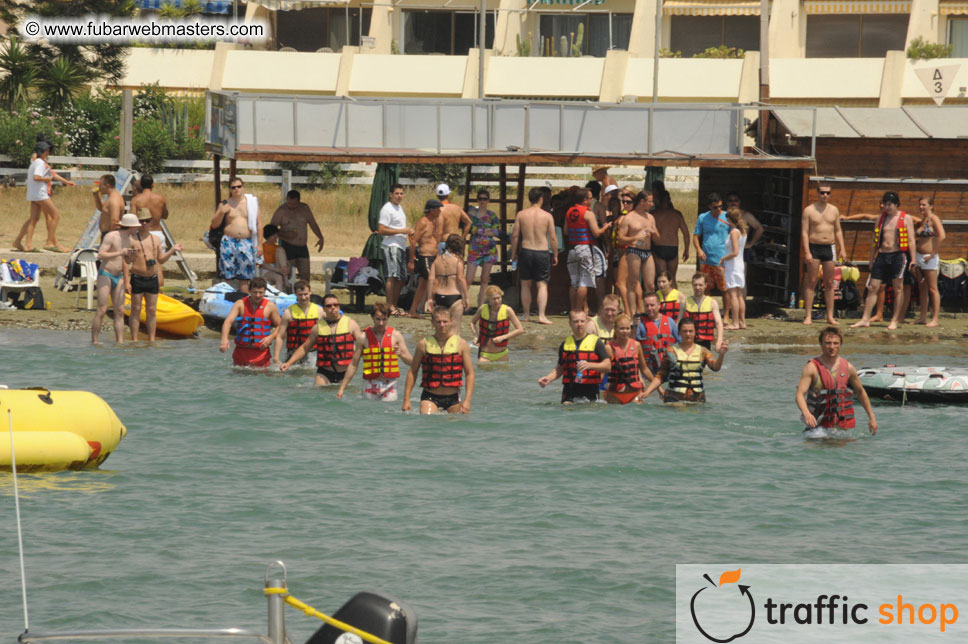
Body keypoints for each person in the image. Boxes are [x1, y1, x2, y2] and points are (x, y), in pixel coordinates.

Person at [851, 191, 917, 331]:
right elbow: (875, 241)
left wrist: (913, 259)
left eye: (890, 204)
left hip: (898, 255)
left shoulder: (906, 218)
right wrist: (871, 258)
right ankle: (865, 318)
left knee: (897, 288)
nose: (887, 207)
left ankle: (894, 320)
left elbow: (911, 240)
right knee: (872, 287)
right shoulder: (880, 218)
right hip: (882, 255)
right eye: (885, 204)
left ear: (896, 205)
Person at [795, 326, 877, 435]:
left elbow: (861, 392)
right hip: (817, 427)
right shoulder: (811, 367)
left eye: (835, 343)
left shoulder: (848, 368)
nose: (832, 347)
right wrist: (806, 414)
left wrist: (872, 418)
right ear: (821, 344)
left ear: (840, 344)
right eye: (828, 343)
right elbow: (799, 394)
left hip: (841, 426)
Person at [402, 305, 475, 414]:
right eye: (438, 322)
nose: (442, 325)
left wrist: (467, 401)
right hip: (429, 396)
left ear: (451, 321)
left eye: (445, 321)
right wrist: (406, 399)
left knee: (453, 427)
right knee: (428, 421)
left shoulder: (461, 344)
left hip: (453, 398)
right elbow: (413, 371)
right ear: (432, 323)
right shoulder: (423, 344)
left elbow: (469, 374)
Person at [337, 302, 414, 401]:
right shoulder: (363, 337)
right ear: (372, 317)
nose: (381, 323)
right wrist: (342, 388)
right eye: (378, 319)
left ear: (388, 318)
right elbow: (353, 364)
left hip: (390, 384)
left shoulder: (396, 336)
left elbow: (411, 362)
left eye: (384, 319)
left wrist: (401, 355)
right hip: (370, 383)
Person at [281, 293, 363, 385]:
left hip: (345, 372)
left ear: (339, 307)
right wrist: (289, 363)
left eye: (335, 305)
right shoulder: (317, 328)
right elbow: (304, 348)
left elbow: (363, 346)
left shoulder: (351, 324)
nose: (333, 307)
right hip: (324, 372)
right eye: (329, 306)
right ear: (323, 309)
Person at [128, 211, 183, 342]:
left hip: (152, 278)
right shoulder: (132, 239)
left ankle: (151, 340)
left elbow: (161, 259)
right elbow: (126, 262)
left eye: (147, 221)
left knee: (151, 310)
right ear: (137, 223)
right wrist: (126, 281)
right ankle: (134, 339)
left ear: (151, 221)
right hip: (137, 277)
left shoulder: (156, 239)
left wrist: (172, 250)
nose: (144, 224)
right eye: (141, 221)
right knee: (135, 309)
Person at [644, 317, 728, 403]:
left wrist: (721, 355)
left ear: (695, 332)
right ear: (679, 332)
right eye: (684, 331)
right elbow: (660, 376)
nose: (688, 334)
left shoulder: (703, 351)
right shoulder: (671, 351)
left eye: (691, 331)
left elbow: (715, 367)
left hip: (697, 400)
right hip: (673, 400)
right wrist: (646, 392)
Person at [538, 309, 611, 404]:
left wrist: (590, 365)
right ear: (570, 324)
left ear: (586, 322)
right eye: (576, 321)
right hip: (570, 390)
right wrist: (548, 378)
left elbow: (608, 366)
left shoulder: (596, 342)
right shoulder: (565, 344)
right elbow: (560, 368)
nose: (579, 324)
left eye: (582, 321)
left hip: (590, 389)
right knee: (566, 410)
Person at [13, 141, 75, 253]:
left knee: (34, 219)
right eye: (46, 150)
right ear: (41, 151)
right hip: (40, 194)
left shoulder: (37, 162)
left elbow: (52, 174)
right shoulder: (40, 163)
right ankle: (50, 242)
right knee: (56, 216)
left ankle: (25, 243)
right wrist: (47, 179)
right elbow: (37, 177)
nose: (48, 152)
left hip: (34, 193)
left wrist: (66, 181)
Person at [801, 184, 847, 326]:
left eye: (827, 193)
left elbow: (838, 230)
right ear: (817, 193)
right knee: (812, 281)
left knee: (829, 283)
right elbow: (804, 232)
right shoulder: (809, 210)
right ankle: (808, 315)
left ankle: (830, 316)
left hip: (829, 247)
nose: (825, 195)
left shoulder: (834, 210)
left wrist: (842, 248)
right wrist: (807, 251)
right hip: (814, 246)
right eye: (822, 193)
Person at [510, 188, 557, 325]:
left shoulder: (521, 214)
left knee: (525, 284)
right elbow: (553, 238)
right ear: (541, 198)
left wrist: (513, 253)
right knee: (542, 285)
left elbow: (515, 236)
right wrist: (555, 254)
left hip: (526, 250)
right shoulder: (547, 216)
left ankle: (526, 314)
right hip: (541, 251)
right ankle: (541, 315)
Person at [92, 213, 139, 344]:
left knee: (120, 310)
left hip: (118, 276)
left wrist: (131, 255)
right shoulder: (111, 236)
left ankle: (120, 341)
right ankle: (95, 341)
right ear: (130, 226)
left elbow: (127, 261)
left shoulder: (130, 240)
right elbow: (101, 255)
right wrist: (120, 252)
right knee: (102, 309)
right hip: (105, 274)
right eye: (136, 226)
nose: (137, 229)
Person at [564, 187, 611, 314]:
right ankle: (580, 310)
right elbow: (596, 233)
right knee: (584, 282)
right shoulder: (588, 213)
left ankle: (573, 309)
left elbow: (566, 231)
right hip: (585, 248)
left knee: (574, 281)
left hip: (572, 249)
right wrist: (605, 227)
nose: (591, 200)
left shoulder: (569, 211)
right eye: (590, 198)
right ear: (585, 200)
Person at [211, 177, 261, 293]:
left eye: (239, 186)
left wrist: (260, 245)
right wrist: (221, 212)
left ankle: (244, 303)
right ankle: (226, 302)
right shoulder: (225, 204)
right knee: (227, 274)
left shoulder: (251, 203)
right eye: (233, 187)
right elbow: (214, 224)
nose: (236, 189)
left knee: (245, 276)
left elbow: (258, 224)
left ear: (243, 187)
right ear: (230, 189)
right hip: (228, 242)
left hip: (246, 242)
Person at [220, 277, 281, 367]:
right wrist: (224, 339)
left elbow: (280, 326)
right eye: (255, 292)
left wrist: (271, 337)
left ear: (265, 292)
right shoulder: (240, 304)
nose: (258, 295)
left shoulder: (270, 307)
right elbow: (228, 321)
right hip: (240, 353)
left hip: (261, 354)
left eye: (261, 293)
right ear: (249, 291)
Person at [616, 192, 659, 314]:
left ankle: (650, 310)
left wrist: (654, 232)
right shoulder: (629, 217)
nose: (652, 204)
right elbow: (620, 238)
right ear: (642, 202)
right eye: (650, 201)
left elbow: (657, 238)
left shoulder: (650, 217)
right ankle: (633, 313)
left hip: (647, 251)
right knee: (633, 282)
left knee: (650, 285)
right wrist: (635, 237)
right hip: (634, 250)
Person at [269, 190, 324, 283]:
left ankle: (304, 294)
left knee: (305, 275)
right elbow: (271, 228)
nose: (291, 207)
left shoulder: (305, 208)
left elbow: (313, 223)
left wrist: (320, 238)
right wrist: (284, 234)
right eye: (289, 204)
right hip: (287, 245)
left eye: (294, 205)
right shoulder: (281, 210)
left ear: (299, 201)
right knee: (286, 275)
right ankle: (286, 293)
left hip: (302, 246)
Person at [378, 184, 413, 316]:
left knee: (402, 277)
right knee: (391, 275)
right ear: (391, 194)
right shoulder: (387, 209)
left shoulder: (399, 208)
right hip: (391, 245)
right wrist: (401, 231)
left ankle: (394, 304)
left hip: (401, 246)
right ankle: (389, 305)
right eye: (397, 193)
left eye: (401, 193)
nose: (399, 196)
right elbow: (381, 229)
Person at [604, 313, 653, 405]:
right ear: (615, 329)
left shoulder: (637, 345)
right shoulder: (609, 347)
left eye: (627, 328)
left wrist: (659, 389)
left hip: (635, 394)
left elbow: (644, 369)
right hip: (615, 395)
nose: (625, 331)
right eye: (622, 328)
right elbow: (602, 371)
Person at [692, 192, 730, 307]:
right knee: (706, 287)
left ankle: (727, 315)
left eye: (720, 206)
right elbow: (695, 236)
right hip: (706, 259)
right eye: (715, 207)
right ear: (709, 206)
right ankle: (708, 311)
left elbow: (736, 235)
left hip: (722, 260)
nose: (718, 209)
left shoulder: (728, 217)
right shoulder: (703, 217)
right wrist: (699, 250)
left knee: (724, 289)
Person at [912, 196, 945, 327]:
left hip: (929, 258)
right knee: (922, 288)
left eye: (924, 205)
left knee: (932, 288)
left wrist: (932, 254)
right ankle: (923, 317)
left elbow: (942, 236)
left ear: (931, 206)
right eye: (920, 205)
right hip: (919, 257)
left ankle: (935, 319)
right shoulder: (922, 220)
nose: (921, 207)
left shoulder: (934, 218)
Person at [465, 189, 501, 307]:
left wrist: (479, 231)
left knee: (485, 279)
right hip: (475, 250)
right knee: (469, 278)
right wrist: (486, 231)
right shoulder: (471, 214)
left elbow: (496, 231)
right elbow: (470, 228)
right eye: (480, 198)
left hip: (489, 250)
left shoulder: (492, 215)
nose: (482, 201)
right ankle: (463, 303)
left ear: (488, 200)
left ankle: (481, 305)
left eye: (485, 199)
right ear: (477, 199)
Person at [470, 285, 524, 363]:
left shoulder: (508, 310)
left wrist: (503, 337)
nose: (497, 301)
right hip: (485, 354)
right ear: (489, 299)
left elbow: (520, 330)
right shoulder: (482, 309)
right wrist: (475, 336)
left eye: (499, 298)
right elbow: (472, 322)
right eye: (494, 299)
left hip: (502, 354)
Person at [272, 280, 321, 365]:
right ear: (295, 294)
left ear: (310, 292)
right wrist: (276, 357)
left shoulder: (319, 311)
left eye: (305, 294)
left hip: (313, 354)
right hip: (293, 354)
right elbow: (280, 336)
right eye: (300, 295)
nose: (303, 297)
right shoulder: (288, 313)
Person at [407, 199, 442, 318]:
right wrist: (411, 260)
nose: (440, 211)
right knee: (434, 282)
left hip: (433, 256)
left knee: (422, 285)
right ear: (431, 210)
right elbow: (413, 241)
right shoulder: (423, 222)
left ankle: (412, 310)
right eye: (438, 209)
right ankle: (436, 310)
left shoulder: (434, 221)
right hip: (425, 256)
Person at [426, 234, 469, 325]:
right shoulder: (458, 261)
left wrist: (430, 298)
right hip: (454, 296)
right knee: (455, 329)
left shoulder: (437, 260)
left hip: (439, 296)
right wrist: (466, 297)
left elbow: (431, 279)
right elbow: (461, 279)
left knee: (440, 329)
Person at [651, 189, 690, 289]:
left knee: (662, 278)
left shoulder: (654, 214)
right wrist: (686, 250)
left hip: (659, 247)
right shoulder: (676, 214)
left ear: (658, 200)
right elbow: (686, 234)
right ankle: (674, 303)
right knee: (672, 278)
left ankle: (662, 303)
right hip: (673, 247)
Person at [636, 291, 681, 376]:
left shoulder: (670, 321)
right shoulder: (640, 324)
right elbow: (632, 346)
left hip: (669, 368)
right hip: (648, 370)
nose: (649, 308)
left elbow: (680, 342)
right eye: (646, 306)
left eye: (652, 305)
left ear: (659, 305)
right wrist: (634, 327)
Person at [719, 206, 748, 330]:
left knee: (733, 295)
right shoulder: (743, 231)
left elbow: (735, 252)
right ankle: (742, 322)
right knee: (739, 295)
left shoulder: (734, 232)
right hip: (739, 265)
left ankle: (735, 322)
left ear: (730, 219)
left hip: (733, 265)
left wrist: (723, 258)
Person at [679, 272, 723, 352]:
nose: (698, 287)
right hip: (688, 341)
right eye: (695, 285)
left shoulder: (712, 303)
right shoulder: (684, 302)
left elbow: (718, 323)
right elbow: (678, 323)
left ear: (705, 285)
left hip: (705, 342)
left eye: (700, 285)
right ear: (692, 285)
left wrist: (719, 340)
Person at [129, 174, 170, 250]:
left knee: (141, 259)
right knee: (158, 260)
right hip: (157, 233)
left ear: (141, 184)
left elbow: (132, 219)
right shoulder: (161, 199)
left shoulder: (136, 200)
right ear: (152, 185)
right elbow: (165, 215)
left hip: (142, 233)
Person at [93, 174, 125, 243]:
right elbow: (102, 208)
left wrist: (109, 239)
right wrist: (96, 196)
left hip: (110, 235)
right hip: (107, 234)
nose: (99, 187)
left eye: (100, 185)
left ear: (107, 186)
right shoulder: (110, 198)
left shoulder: (114, 200)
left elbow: (115, 221)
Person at [259, 224, 290, 292]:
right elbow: (262, 264)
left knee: (280, 250)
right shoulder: (262, 247)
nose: (276, 237)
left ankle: (285, 278)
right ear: (268, 236)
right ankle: (280, 296)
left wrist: (286, 269)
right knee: (279, 277)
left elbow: (285, 262)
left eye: (277, 235)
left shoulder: (278, 248)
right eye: (274, 235)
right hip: (267, 270)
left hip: (279, 268)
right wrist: (278, 270)